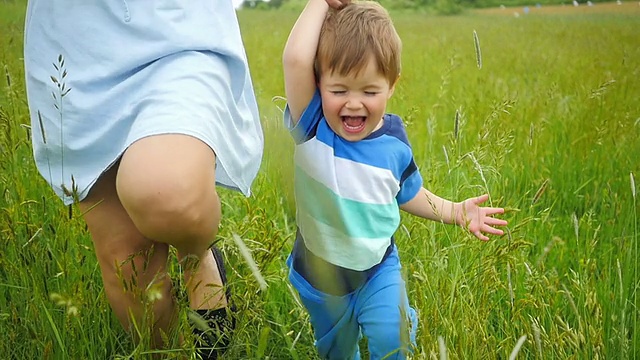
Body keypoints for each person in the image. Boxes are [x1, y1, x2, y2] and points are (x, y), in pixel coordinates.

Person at [22, 1, 266, 358]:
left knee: (168, 194)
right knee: (128, 265)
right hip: (74, 48)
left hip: (177, 27)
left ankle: (196, 254)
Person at [282, 1, 509, 358]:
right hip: (322, 279)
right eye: (338, 91)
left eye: (369, 92)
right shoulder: (312, 127)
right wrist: (322, 3)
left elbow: (407, 192)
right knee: (337, 353)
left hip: (378, 270)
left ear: (391, 86)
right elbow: (295, 59)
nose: (353, 104)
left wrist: (455, 212)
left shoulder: (394, 143)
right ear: (318, 82)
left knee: (394, 338)